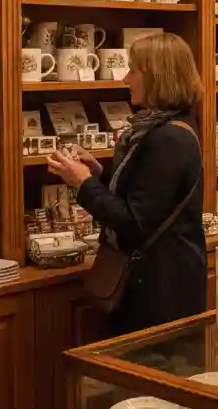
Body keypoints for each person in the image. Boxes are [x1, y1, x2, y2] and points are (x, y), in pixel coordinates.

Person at [47, 32, 207, 334]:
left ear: (157, 76)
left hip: (160, 290)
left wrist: (83, 183)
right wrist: (98, 174)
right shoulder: (161, 128)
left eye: (133, 70)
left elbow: (133, 223)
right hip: (157, 282)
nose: (125, 78)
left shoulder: (169, 138)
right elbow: (146, 196)